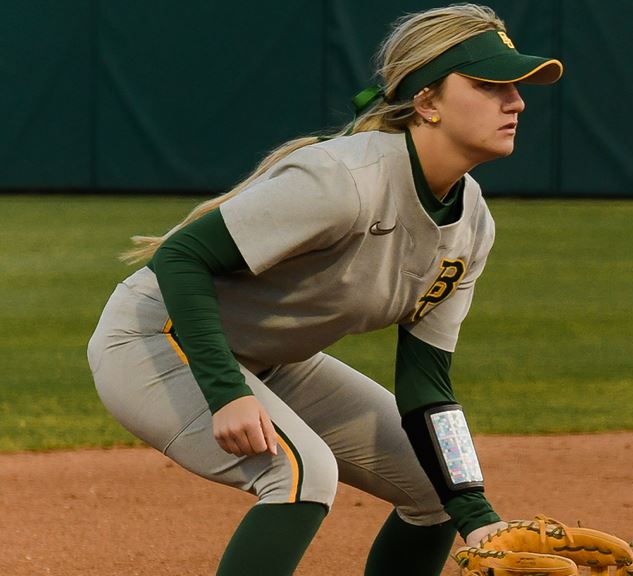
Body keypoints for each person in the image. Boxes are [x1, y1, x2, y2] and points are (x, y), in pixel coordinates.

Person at [86, 4, 563, 575]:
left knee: (436, 486)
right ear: (426, 101)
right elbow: (182, 256)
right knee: (302, 473)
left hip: (269, 359)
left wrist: (475, 512)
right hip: (159, 338)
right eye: (489, 85)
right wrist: (226, 392)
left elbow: (427, 385)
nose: (516, 102)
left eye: (515, 87)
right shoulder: (345, 180)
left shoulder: (472, 224)